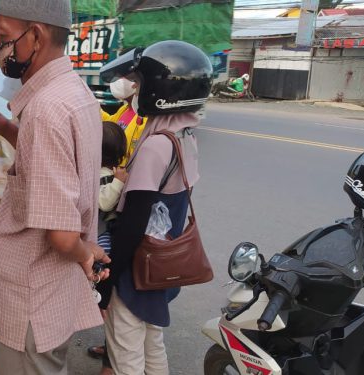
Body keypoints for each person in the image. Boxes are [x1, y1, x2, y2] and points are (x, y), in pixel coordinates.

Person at [0, 0, 110, 373]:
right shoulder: (75, 93)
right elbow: (49, 165)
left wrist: (84, 252)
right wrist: (7, 127)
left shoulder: (45, 109)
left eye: (4, 38)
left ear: (36, 36)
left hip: (29, 302)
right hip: (49, 299)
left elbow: (60, 238)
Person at [98, 40, 212, 374]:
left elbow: (133, 222)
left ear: (161, 90)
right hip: (162, 263)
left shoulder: (155, 147)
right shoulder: (184, 134)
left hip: (137, 267)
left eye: (140, 83)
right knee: (152, 342)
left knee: (126, 352)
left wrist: (107, 279)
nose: (135, 90)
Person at [88, 122, 128, 371]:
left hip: (102, 235)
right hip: (101, 235)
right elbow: (104, 202)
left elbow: (104, 203)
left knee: (106, 294)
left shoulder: (103, 172)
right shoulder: (103, 174)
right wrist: (118, 182)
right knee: (105, 295)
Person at [101, 78, 146, 167]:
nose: (118, 80)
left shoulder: (144, 116)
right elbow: (111, 125)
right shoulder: (124, 109)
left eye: (124, 76)